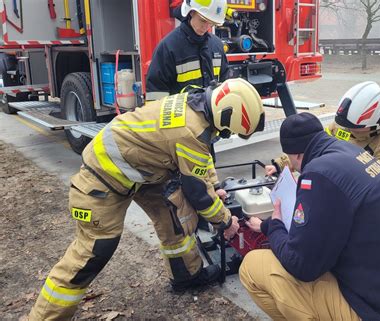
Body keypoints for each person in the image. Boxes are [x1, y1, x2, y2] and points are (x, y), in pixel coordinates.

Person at [28, 78, 265, 320]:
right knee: (93, 252)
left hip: (143, 169)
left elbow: (202, 159)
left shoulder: (196, 104)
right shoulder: (189, 131)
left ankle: (187, 276)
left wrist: (214, 185)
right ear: (226, 115)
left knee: (172, 216)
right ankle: (44, 316)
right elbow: (197, 193)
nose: (226, 135)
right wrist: (225, 222)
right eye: (229, 131)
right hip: (103, 178)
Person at [240, 112, 380, 321]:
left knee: (253, 267)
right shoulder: (350, 152)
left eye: (292, 162)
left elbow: (301, 265)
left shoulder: (319, 173)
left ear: (297, 155)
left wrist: (274, 227)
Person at [266, 81, 380, 179]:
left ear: (375, 123)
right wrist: (281, 164)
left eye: (355, 128)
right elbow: (315, 147)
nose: (349, 130)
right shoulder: (342, 127)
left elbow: (369, 189)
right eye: (348, 126)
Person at [146, 0, 229, 99]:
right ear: (191, 12)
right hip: (178, 114)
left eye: (211, 23)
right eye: (203, 20)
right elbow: (155, 94)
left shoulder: (217, 45)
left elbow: (225, 84)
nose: (206, 27)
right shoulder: (168, 47)